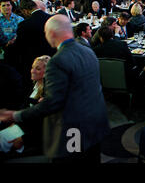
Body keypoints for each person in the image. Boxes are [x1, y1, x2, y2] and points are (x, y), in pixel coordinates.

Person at [0, 14, 110, 163]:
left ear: (51, 33)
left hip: (73, 131)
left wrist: (15, 115)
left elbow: (52, 103)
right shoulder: (88, 51)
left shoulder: (57, 62)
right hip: (97, 124)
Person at [6, 0, 55, 92]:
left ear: (25, 11)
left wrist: (10, 45)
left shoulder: (24, 25)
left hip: (32, 62)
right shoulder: (52, 19)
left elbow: (19, 47)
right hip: (52, 59)